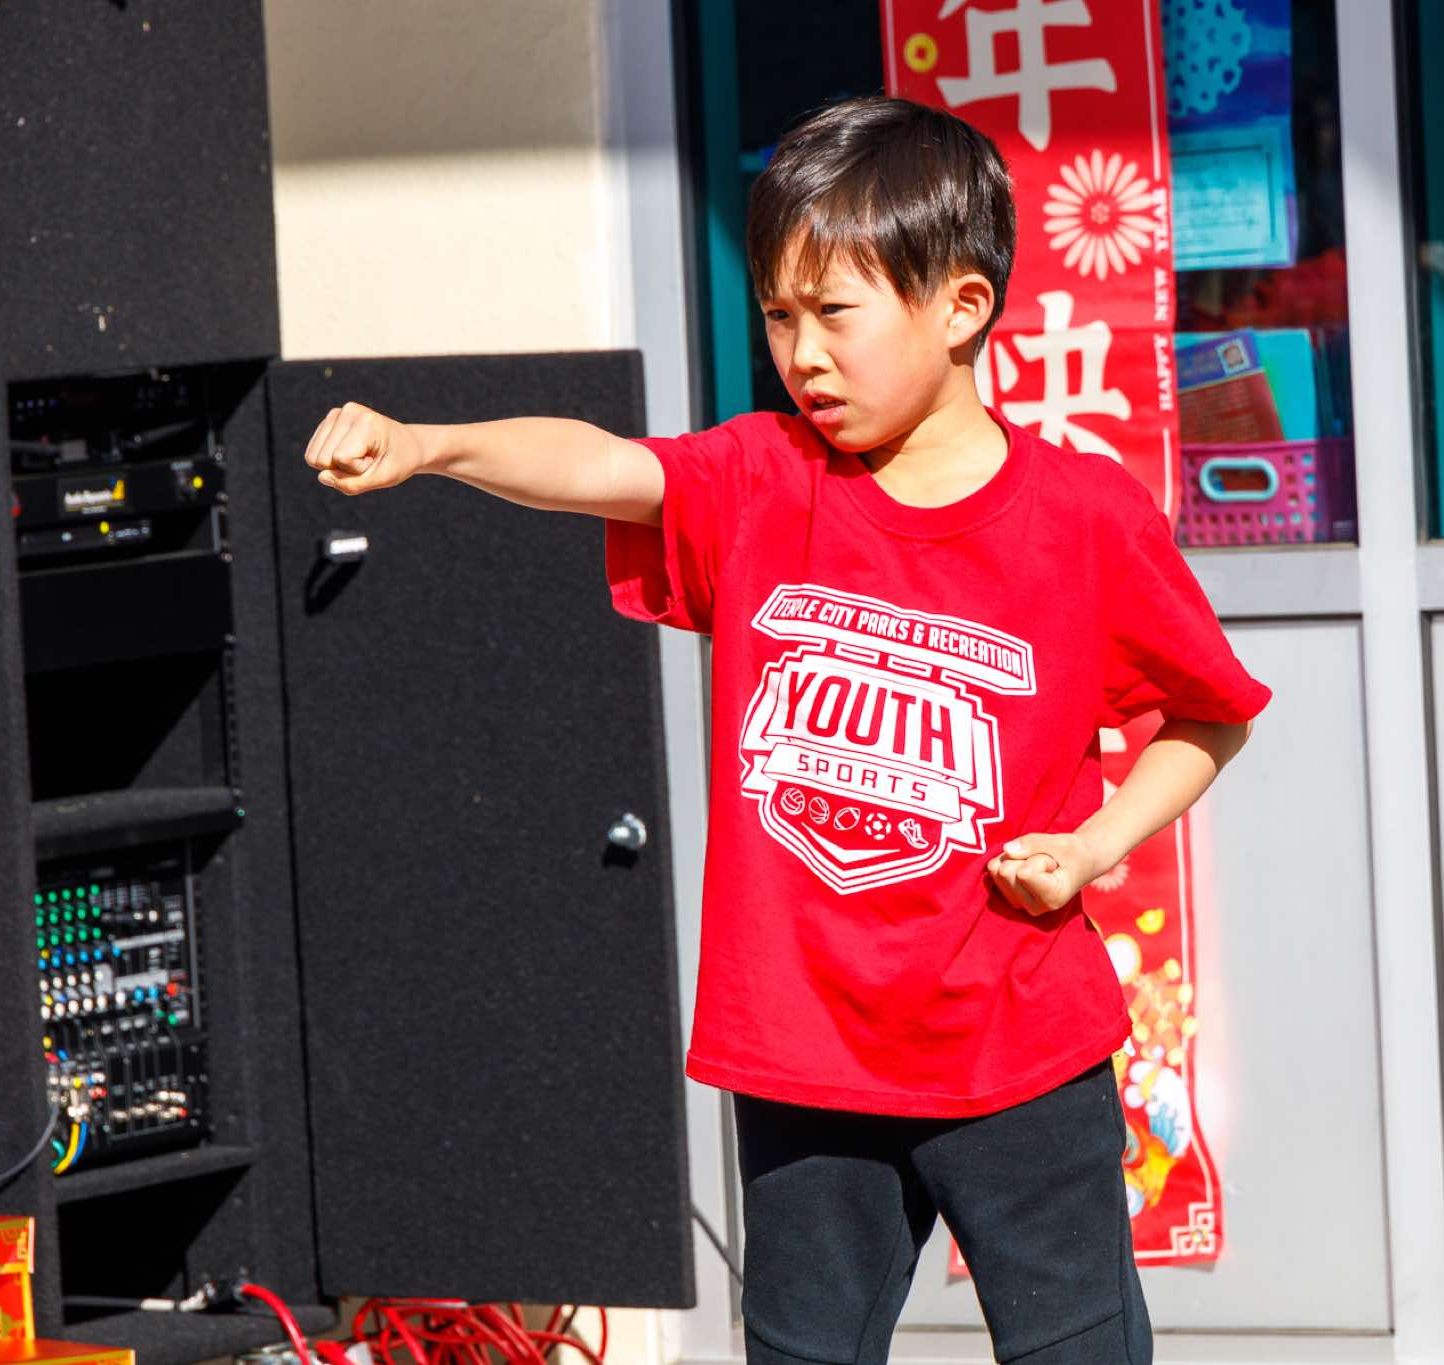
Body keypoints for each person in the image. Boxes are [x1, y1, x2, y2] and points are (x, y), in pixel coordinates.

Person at [300, 94, 1269, 1365]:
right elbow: (597, 463)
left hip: (1019, 1046)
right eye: (775, 316)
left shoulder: (1081, 516)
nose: (800, 354)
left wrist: (1091, 847)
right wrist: (429, 444)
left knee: (1073, 1348)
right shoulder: (760, 479)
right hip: (804, 1056)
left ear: (960, 307)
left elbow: (1207, 713)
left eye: (833, 314)